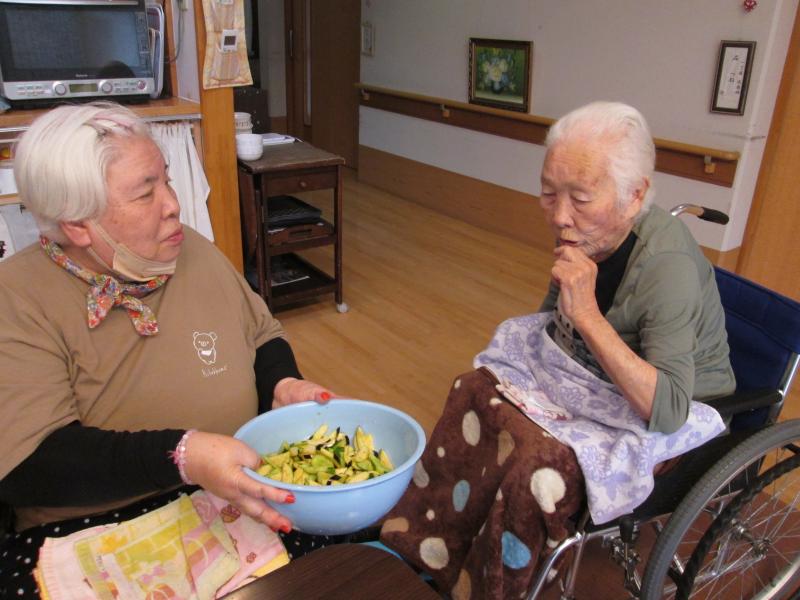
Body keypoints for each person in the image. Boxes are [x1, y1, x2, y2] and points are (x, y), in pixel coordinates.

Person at [379, 101, 736, 599]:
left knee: (534, 468)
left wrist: (587, 314)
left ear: (635, 197)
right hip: (598, 377)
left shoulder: (666, 268)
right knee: (473, 389)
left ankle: (494, 588)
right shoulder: (588, 239)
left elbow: (670, 411)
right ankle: (423, 549)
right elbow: (550, 325)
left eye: (581, 199)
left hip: (675, 407)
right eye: (549, 194)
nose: (560, 217)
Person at [0, 102, 335, 598]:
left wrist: (281, 383)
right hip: (99, 525)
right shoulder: (17, 295)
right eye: (145, 192)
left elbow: (262, 334)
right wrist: (182, 453)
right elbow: (30, 466)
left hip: (228, 493)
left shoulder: (188, 247)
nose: (173, 204)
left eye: (167, 179)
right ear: (76, 224)